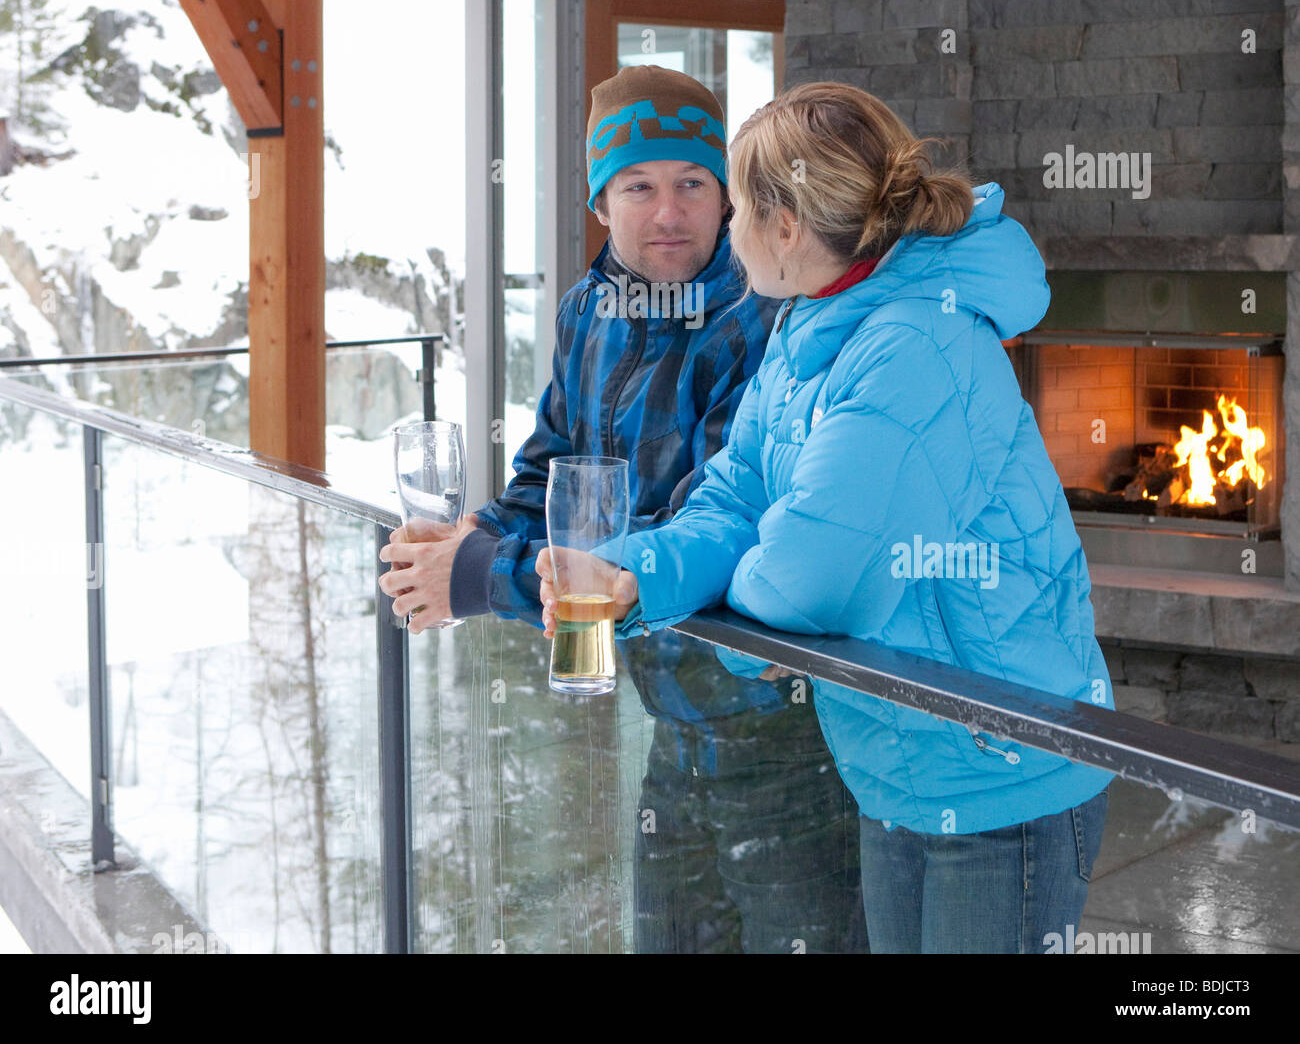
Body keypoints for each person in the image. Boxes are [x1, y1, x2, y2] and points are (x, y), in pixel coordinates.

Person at [540, 79, 1115, 954]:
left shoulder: (917, 344)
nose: (724, 230)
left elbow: (815, 584)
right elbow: (736, 498)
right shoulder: (809, 331)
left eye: (734, 208)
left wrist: (740, 587)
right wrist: (634, 570)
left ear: (786, 227)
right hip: (896, 764)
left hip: (1002, 770)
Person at [380, 65, 866, 953]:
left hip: (784, 730)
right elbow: (549, 473)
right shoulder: (586, 312)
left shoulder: (765, 321)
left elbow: (706, 532)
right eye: (638, 186)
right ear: (602, 202)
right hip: (674, 723)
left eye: (692, 183)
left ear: (728, 198)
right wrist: (468, 544)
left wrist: (488, 580)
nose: (668, 211)